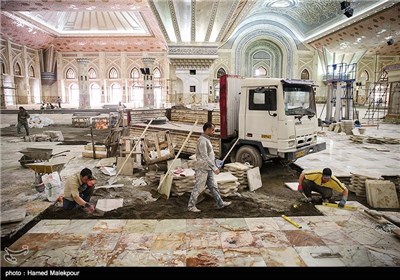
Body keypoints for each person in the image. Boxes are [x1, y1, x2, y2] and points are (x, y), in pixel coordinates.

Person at [188, 122, 232, 212]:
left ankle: (220, 203)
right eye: (212, 130)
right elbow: (204, 156)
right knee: (198, 187)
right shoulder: (202, 141)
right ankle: (191, 206)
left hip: (208, 168)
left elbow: (209, 155)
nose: (214, 132)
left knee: (213, 186)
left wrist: (213, 165)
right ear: (207, 130)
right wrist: (214, 167)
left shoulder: (206, 140)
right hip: (202, 168)